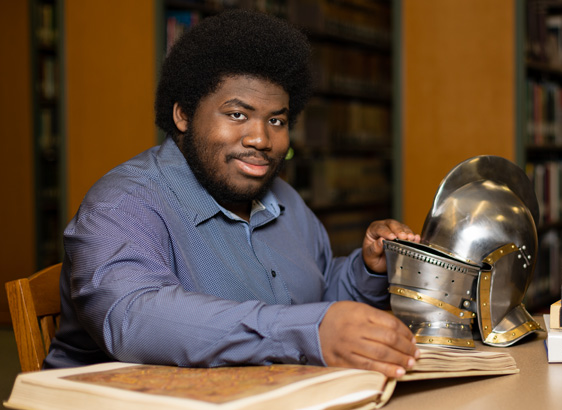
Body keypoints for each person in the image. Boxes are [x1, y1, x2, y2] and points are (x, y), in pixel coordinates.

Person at [44, 10, 421, 379]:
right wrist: (305, 331)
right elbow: (131, 317)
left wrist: (367, 270)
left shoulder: (285, 199)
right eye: (237, 115)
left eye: (276, 120)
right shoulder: (121, 204)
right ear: (183, 115)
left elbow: (316, 294)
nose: (261, 139)